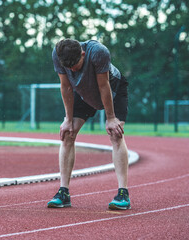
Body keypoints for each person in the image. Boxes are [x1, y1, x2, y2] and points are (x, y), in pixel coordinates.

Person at [47, 39, 130, 210]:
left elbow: (104, 86)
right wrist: (68, 119)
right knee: (68, 134)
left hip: (112, 90)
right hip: (83, 93)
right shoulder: (58, 54)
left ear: (83, 54)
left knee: (116, 134)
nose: (72, 70)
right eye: (68, 68)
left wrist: (111, 118)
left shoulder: (98, 52)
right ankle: (64, 193)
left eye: (75, 66)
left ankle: (123, 194)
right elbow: (66, 87)